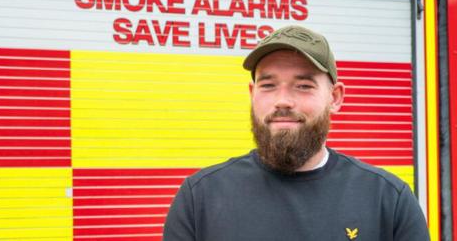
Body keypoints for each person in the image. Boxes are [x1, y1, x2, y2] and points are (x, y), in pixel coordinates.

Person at [163, 25, 430, 241]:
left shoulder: (388, 200)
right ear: (252, 94)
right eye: (268, 85)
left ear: (335, 98)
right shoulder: (200, 198)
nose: (283, 101)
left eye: (303, 85)